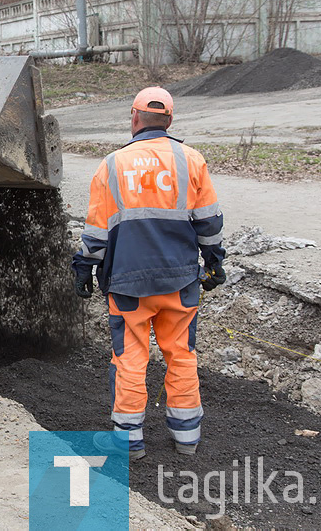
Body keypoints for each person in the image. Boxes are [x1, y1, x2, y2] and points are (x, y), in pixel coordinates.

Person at [72, 86, 226, 460]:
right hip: (180, 281)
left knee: (130, 358)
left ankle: (129, 442)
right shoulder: (191, 159)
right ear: (170, 120)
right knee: (182, 355)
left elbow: (96, 229)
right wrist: (214, 260)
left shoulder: (112, 164)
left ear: (134, 117)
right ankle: (187, 438)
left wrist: (85, 267)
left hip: (128, 281)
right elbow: (209, 222)